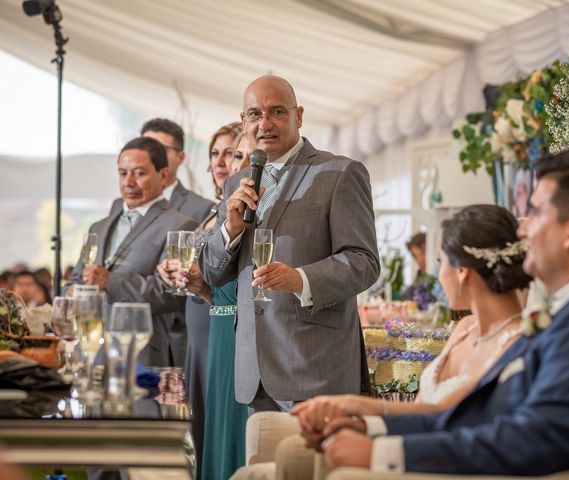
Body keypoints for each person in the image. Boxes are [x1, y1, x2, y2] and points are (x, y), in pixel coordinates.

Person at [299, 148, 569, 476]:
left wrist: (385, 454)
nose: (522, 229)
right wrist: (370, 425)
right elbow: (478, 415)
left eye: (534, 212)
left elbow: (539, 438)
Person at [197, 75, 380, 413]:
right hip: (253, 373)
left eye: (276, 111)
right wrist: (230, 229)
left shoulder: (339, 173)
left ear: (299, 116)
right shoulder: (237, 183)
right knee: (264, 467)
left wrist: (302, 279)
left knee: (312, 468)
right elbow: (211, 271)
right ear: (244, 121)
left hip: (315, 369)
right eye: (254, 114)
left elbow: (364, 262)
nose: (264, 123)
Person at [294, 205, 530, 422]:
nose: (438, 276)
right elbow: (420, 407)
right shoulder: (465, 327)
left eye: (441, 262)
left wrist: (356, 407)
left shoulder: (518, 342)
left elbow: (447, 414)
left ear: (461, 271)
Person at [158, 121, 244, 480]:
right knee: (198, 430)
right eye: (215, 153)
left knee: (220, 429)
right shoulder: (213, 212)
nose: (222, 161)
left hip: (221, 327)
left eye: (233, 153)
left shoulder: (238, 215)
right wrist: (178, 274)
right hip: (198, 327)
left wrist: (203, 286)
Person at [66, 136, 197, 367]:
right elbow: (76, 279)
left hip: (142, 354)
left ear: (164, 176)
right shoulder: (99, 226)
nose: (129, 183)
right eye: (122, 173)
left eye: (139, 173)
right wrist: (72, 292)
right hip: (90, 349)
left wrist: (111, 282)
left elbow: (172, 292)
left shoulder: (180, 226)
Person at [111, 118, 214, 221]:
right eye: (144, 148)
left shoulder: (201, 209)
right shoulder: (118, 205)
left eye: (161, 149)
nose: (149, 156)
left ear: (180, 157)